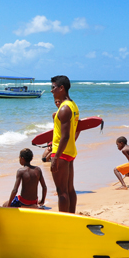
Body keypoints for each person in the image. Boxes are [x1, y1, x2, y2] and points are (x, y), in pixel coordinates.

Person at [50, 75, 79, 213]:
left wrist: (55, 158)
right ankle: (72, 217)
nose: (51, 91)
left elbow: (65, 136)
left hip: (60, 152)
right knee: (69, 189)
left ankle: (64, 220)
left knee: (61, 191)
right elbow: (74, 130)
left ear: (62, 88)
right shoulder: (72, 106)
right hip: (70, 151)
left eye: (53, 87)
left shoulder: (64, 109)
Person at [42, 98, 63, 163]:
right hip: (56, 136)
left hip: (62, 137)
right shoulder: (54, 114)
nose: (57, 103)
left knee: (46, 158)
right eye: (55, 102)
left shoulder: (66, 113)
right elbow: (55, 128)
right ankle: (51, 154)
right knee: (43, 157)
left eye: (58, 101)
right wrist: (49, 142)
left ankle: (52, 154)